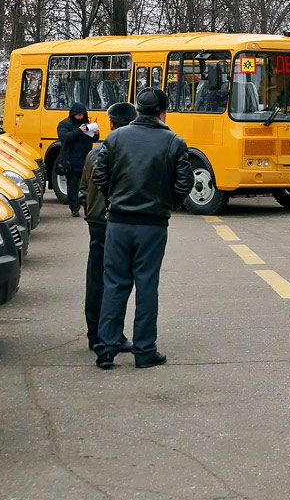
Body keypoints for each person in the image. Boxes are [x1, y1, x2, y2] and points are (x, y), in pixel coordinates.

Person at [92, 88, 195, 370]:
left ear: (138, 110)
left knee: (114, 283)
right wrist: (167, 204)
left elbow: (99, 177)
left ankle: (106, 348)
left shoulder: (115, 138)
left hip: (118, 222)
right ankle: (144, 350)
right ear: (163, 112)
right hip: (153, 224)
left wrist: (115, 198)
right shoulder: (174, 141)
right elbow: (184, 183)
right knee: (147, 285)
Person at [78, 101, 137, 352]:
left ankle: (95, 334)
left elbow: (83, 188)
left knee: (96, 277)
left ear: (111, 124)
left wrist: (89, 210)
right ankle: (113, 333)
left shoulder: (94, 154)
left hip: (96, 221)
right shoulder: (132, 154)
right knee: (118, 280)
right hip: (119, 221)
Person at [57, 102, 96, 217]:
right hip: (71, 159)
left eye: (82, 115)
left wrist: (95, 134)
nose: (80, 117)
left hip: (86, 159)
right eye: (78, 115)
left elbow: (91, 139)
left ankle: (88, 207)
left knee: (87, 186)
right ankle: (74, 208)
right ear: (73, 114)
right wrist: (79, 130)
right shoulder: (64, 124)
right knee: (73, 185)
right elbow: (64, 138)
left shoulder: (85, 124)